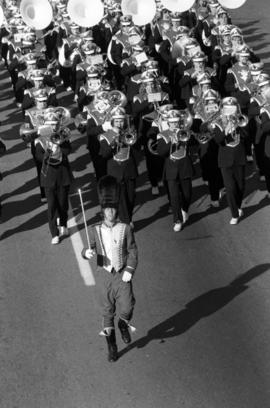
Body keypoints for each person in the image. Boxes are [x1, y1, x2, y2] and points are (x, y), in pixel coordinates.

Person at [82, 175, 138, 362]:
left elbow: (132, 250)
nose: (110, 212)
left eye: (113, 209)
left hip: (122, 273)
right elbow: (87, 248)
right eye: (107, 209)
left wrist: (129, 269)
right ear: (103, 211)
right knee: (107, 313)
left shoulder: (125, 228)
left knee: (128, 306)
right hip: (104, 275)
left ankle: (123, 323)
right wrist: (86, 253)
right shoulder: (94, 229)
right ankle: (112, 347)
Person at [35, 124, 73, 244]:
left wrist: (60, 142)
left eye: (54, 125)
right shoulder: (39, 140)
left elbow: (68, 151)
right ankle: (54, 234)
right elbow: (38, 156)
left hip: (62, 175)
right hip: (48, 176)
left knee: (63, 203)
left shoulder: (63, 137)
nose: (53, 127)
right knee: (51, 206)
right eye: (50, 125)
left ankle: (63, 224)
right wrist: (49, 151)